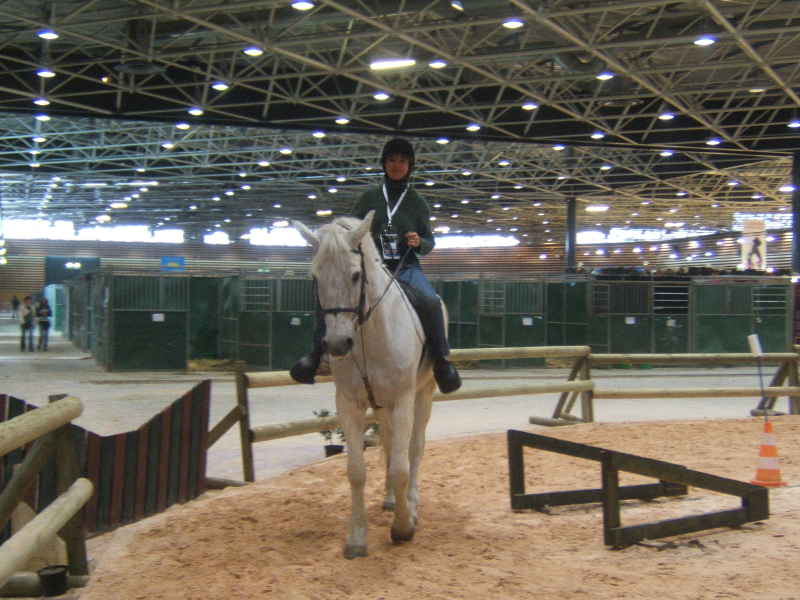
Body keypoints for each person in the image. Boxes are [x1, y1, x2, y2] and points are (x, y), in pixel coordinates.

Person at [290, 138, 462, 394]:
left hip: (405, 267)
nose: (396, 165)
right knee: (334, 296)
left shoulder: (417, 202)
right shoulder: (369, 197)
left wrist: (419, 241)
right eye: (391, 160)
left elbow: (430, 240)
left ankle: (441, 362)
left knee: (430, 300)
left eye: (402, 161)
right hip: (371, 266)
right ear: (384, 164)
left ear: (409, 165)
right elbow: (351, 228)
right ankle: (316, 355)